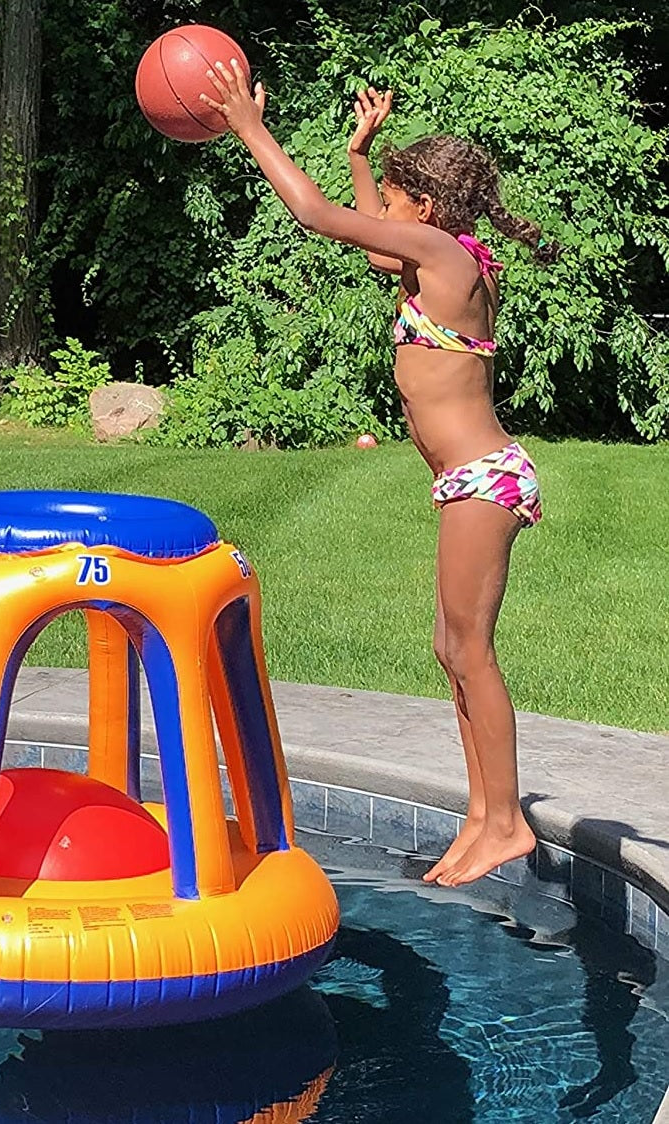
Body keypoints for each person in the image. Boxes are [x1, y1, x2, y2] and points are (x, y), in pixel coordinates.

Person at [201, 66, 556, 887]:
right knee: (449, 646)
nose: (386, 217)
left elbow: (320, 218)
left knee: (472, 650)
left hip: (485, 479)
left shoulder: (439, 252)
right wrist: (362, 154)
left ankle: (505, 823)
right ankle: (481, 816)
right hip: (469, 480)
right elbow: (366, 241)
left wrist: (250, 130)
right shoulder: (440, 255)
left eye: (395, 201)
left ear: (424, 212)